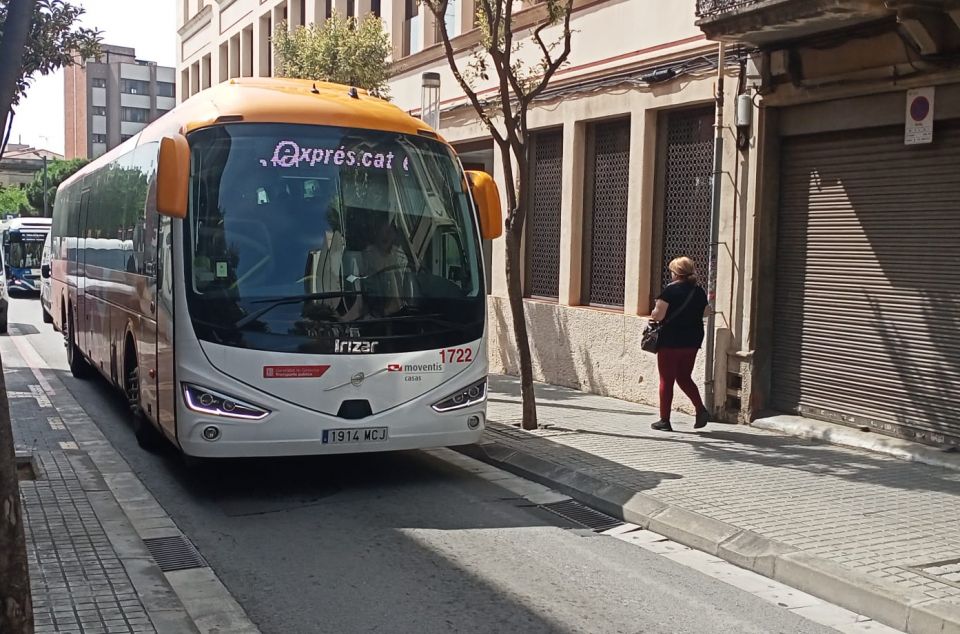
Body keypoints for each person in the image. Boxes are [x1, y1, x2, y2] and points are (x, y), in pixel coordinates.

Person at [649, 256, 710, 432]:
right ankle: (700, 409)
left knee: (666, 380)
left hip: (671, 340)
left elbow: (658, 316)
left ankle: (664, 420)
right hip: (692, 340)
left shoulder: (669, 291)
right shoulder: (698, 291)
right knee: (684, 376)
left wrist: (654, 312)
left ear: (676, 273)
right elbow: (706, 312)